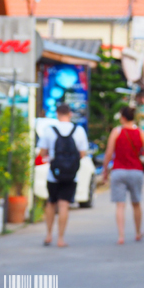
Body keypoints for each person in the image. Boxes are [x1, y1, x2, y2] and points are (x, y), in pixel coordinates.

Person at [37, 103, 89, 248]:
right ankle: (60, 238)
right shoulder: (78, 130)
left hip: (53, 174)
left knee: (51, 203)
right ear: (70, 114)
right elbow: (83, 153)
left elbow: (42, 153)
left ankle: (48, 235)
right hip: (71, 175)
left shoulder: (49, 131)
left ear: (57, 114)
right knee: (64, 204)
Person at [103, 106, 144, 245]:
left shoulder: (116, 132)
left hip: (118, 171)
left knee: (120, 205)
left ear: (123, 118)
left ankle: (121, 236)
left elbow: (109, 153)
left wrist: (105, 170)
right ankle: (137, 233)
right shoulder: (140, 133)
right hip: (136, 171)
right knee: (136, 203)